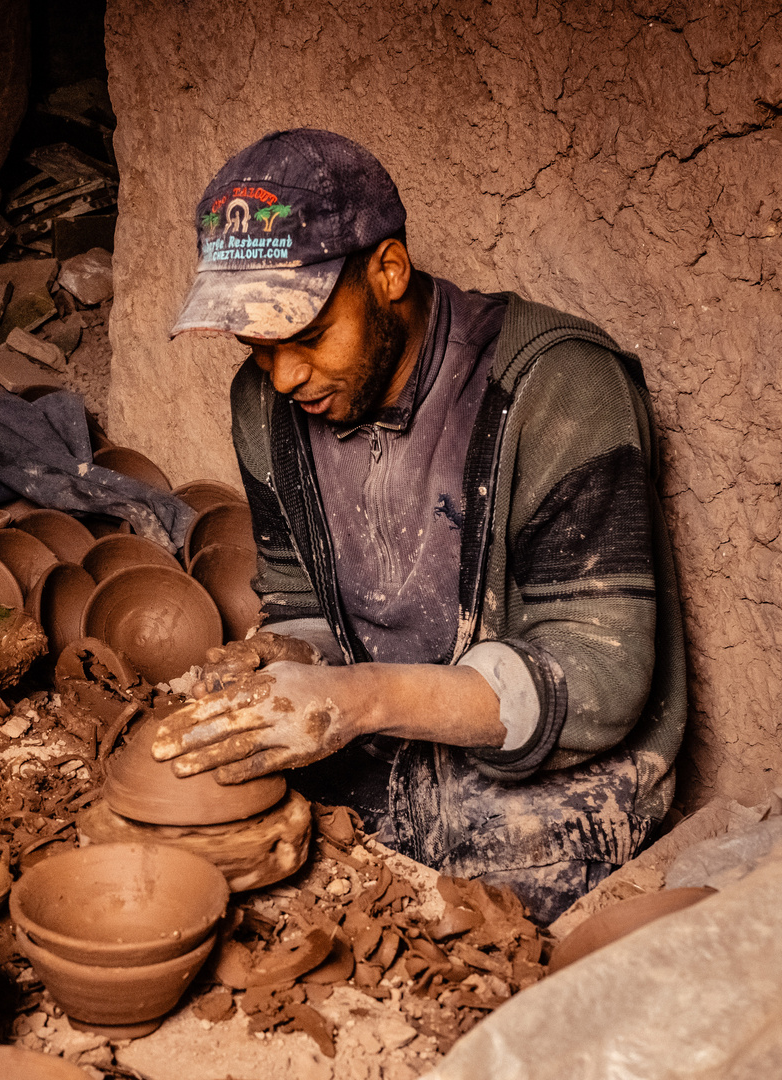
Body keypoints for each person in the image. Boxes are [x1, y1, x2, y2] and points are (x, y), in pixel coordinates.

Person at [153, 129, 686, 923]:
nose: (284, 375)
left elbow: (602, 687)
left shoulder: (559, 387)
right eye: (256, 345)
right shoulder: (263, 405)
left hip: (547, 759)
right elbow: (299, 596)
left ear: (388, 271)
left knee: (472, 908)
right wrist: (279, 655)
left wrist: (358, 700)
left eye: (303, 336)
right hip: (380, 731)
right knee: (216, 809)